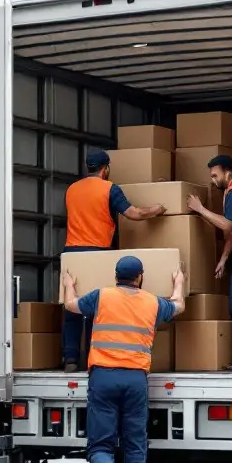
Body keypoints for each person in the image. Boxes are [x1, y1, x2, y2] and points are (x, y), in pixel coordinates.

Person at [62, 256, 185, 463]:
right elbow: (179, 306)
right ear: (140, 277)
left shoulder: (101, 296)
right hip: (135, 380)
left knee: (100, 446)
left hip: (103, 377)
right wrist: (178, 283)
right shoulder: (152, 302)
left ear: (115, 275)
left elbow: (71, 306)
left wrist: (69, 285)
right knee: (135, 448)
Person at [62, 149, 167, 372]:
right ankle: (92, 356)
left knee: (71, 306)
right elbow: (133, 214)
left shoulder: (71, 189)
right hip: (97, 251)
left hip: (71, 252)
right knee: (95, 307)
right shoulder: (110, 189)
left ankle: (70, 359)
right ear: (106, 168)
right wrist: (156, 210)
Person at [186, 154, 232, 373]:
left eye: (214, 175)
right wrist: (224, 258)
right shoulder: (231, 192)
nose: (212, 180)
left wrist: (200, 209)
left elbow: (227, 225)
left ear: (227, 172)